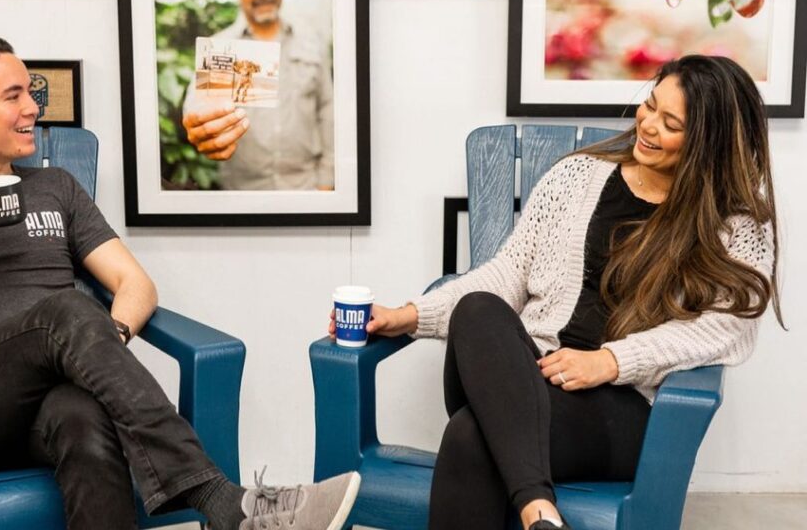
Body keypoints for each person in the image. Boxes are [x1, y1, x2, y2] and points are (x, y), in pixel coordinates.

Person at [0, 37, 360, 530]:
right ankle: (220, 499)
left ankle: (226, 507)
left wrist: (101, 342)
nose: (33, 108)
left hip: (51, 402)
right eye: (13, 96)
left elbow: (135, 284)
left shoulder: (56, 187)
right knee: (68, 311)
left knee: (81, 418)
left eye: (31, 92)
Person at [328, 55, 782, 530]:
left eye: (671, 124)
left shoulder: (737, 223)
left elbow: (726, 330)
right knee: (478, 307)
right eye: (650, 106)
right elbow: (507, 273)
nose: (648, 125)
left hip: (620, 408)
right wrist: (405, 316)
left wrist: (610, 361)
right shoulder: (576, 177)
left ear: (709, 142)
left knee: (469, 436)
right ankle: (539, 512)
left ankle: (535, 507)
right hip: (523, 374)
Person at [181, 0, 334, 190]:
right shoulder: (220, 47)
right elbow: (197, 105)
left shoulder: (312, 42)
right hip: (243, 193)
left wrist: (327, 181)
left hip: (306, 187)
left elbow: (327, 109)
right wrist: (198, 121)